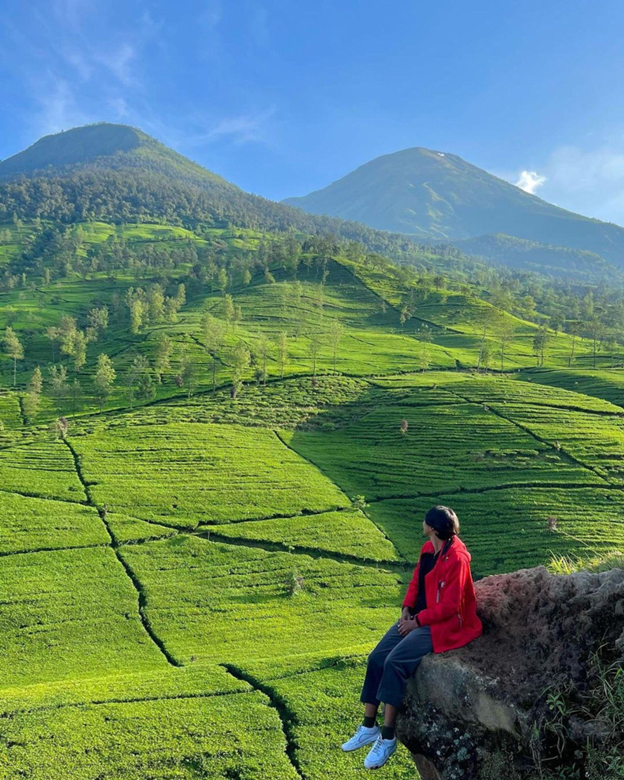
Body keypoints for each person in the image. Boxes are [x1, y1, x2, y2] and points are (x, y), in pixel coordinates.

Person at [341, 505, 483, 770]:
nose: (422, 523)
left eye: (425, 521)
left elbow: (451, 607)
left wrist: (417, 621)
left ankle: (387, 736)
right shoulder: (428, 549)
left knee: (394, 662)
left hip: (441, 624)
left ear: (431, 527)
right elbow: (416, 583)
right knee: (376, 658)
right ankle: (368, 725)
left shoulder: (457, 559)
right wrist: (407, 610)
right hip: (416, 618)